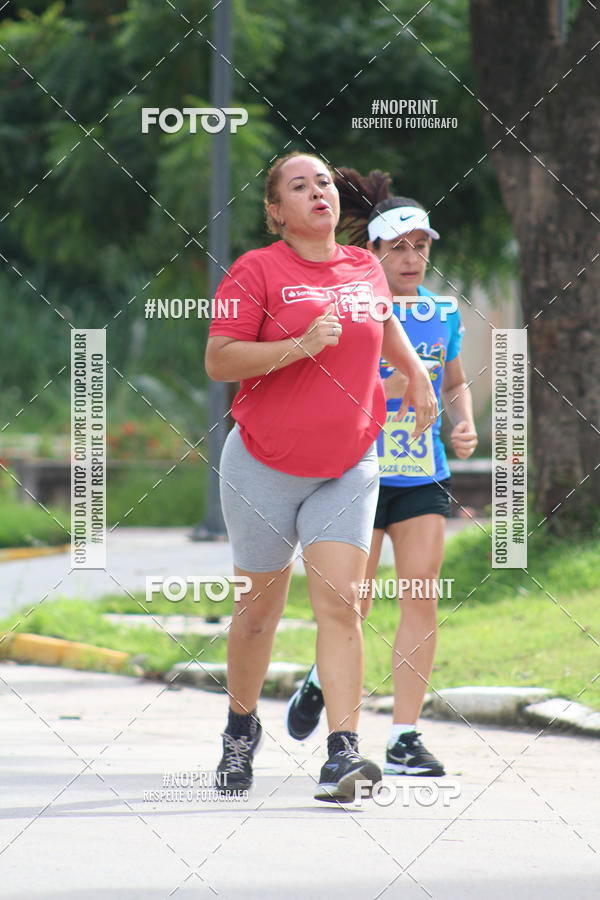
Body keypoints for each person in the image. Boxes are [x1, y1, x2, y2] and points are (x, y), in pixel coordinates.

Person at [205, 152, 438, 802]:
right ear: (276, 211)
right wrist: (296, 347)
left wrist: (416, 372)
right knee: (259, 615)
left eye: (326, 184)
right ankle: (240, 729)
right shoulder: (257, 271)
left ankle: (342, 753)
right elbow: (220, 359)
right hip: (263, 465)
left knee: (340, 606)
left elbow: (383, 322)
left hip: (348, 466)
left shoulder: (364, 266)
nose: (319, 193)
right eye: (300, 186)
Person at [286, 167, 477, 777]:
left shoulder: (441, 313)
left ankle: (403, 737)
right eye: (399, 246)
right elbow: (322, 385)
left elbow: (452, 378)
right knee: (354, 604)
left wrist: (464, 421)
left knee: (420, 596)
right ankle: (321, 678)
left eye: (422, 245)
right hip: (357, 471)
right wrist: (386, 385)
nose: (413, 257)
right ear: (371, 251)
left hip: (423, 475)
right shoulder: (348, 309)